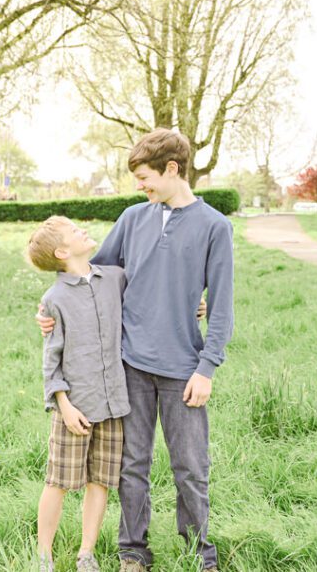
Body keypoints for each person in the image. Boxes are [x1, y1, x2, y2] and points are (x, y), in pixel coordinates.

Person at [37, 129, 233, 572]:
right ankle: (133, 551)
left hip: (184, 369)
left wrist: (207, 368)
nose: (140, 186)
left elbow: (221, 308)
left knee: (190, 468)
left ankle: (197, 551)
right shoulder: (132, 218)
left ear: (171, 169)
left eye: (145, 177)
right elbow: (91, 274)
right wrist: (49, 309)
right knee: (131, 466)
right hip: (131, 366)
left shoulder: (215, 227)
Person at [28, 216, 129, 572]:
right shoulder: (54, 299)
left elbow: (150, 301)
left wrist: (194, 307)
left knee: (100, 480)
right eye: (74, 230)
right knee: (59, 481)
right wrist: (64, 406)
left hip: (114, 402)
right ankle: (44, 556)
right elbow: (50, 361)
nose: (81, 229)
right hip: (75, 407)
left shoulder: (114, 278)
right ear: (62, 250)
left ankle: (86, 553)